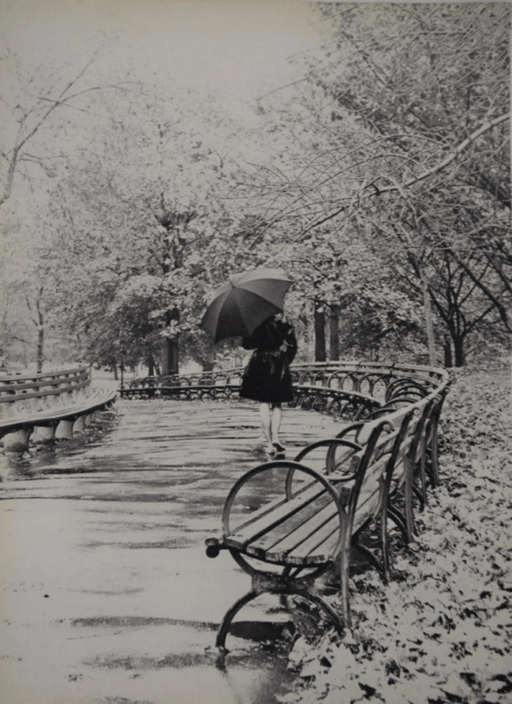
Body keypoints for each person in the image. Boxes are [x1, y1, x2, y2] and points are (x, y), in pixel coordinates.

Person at [239, 313, 297, 457]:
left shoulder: (256, 327)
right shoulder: (286, 328)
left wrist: (246, 334)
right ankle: (276, 437)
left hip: (260, 363)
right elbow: (292, 348)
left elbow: (247, 345)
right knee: (277, 403)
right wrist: (284, 360)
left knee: (264, 403)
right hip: (278, 363)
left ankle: (269, 443)